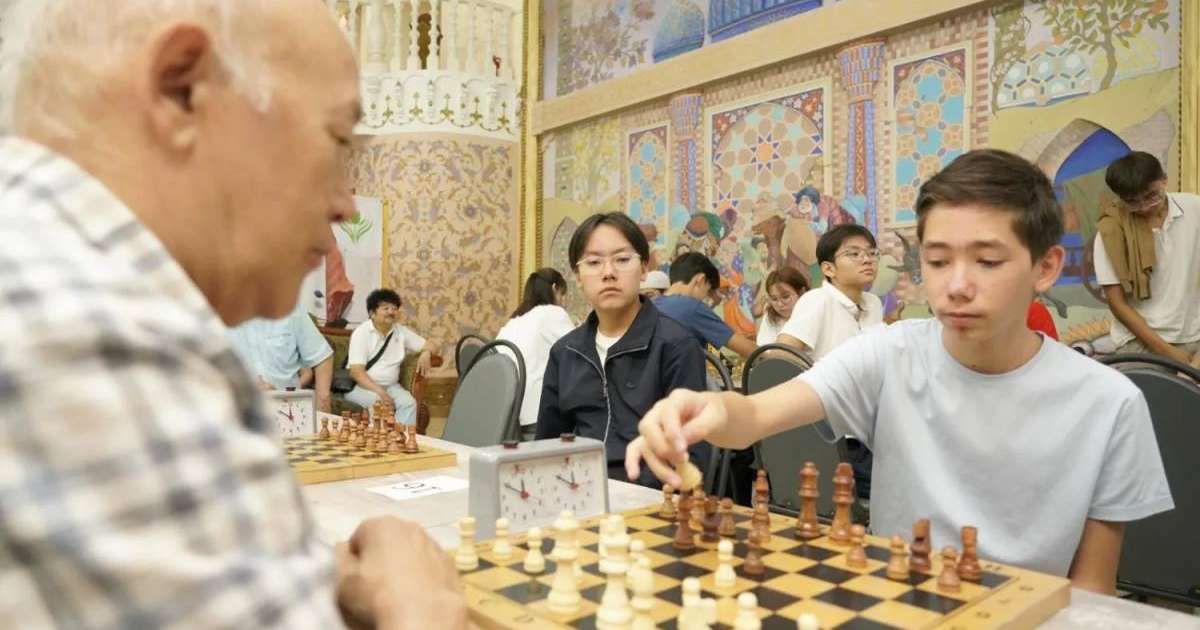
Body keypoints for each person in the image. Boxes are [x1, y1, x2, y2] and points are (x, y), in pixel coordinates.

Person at [0, 1, 465, 627]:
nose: (343, 202)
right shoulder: (96, 337)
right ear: (181, 87)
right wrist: (420, 603)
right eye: (336, 142)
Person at [626, 149, 1173, 593]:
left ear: (1045, 267)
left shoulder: (1110, 402)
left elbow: (1093, 590)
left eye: (987, 261)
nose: (956, 284)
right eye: (937, 261)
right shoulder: (891, 353)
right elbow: (754, 415)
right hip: (894, 605)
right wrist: (701, 408)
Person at [536, 213, 707, 487]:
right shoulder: (565, 352)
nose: (608, 273)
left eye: (622, 259)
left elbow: (693, 454)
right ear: (577, 277)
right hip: (576, 494)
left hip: (649, 497)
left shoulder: (676, 345)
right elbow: (547, 446)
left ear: (644, 268)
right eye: (593, 262)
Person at [1093, 151, 1200, 367]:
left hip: (1195, 334)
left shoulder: (1194, 208)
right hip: (1141, 341)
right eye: (1132, 202)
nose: (1143, 207)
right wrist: (1170, 353)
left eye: (1151, 195)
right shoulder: (1111, 231)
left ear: (1164, 180)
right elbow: (1117, 303)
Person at [777, 224, 885, 359]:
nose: (867, 260)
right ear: (829, 269)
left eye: (872, 253)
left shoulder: (873, 303)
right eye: (854, 254)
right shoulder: (817, 300)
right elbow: (780, 357)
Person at [496, 268, 576, 440]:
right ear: (555, 288)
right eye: (563, 294)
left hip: (508, 416)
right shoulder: (552, 312)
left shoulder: (512, 322)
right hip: (538, 414)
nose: (563, 302)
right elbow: (578, 352)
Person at [345, 288, 436, 425]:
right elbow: (356, 372)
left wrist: (426, 353)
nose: (391, 312)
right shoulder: (361, 333)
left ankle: (401, 440)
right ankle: (378, 443)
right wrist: (380, 392)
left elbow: (431, 344)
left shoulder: (400, 331)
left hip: (392, 386)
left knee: (409, 403)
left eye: (394, 308)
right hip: (362, 387)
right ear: (372, 313)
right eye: (385, 308)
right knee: (379, 403)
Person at [228, 301, 335, 412]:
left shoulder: (289, 307)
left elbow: (322, 356)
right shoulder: (214, 312)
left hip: (291, 413)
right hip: (236, 415)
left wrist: (322, 401)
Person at [654, 252, 758, 358]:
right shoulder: (692, 307)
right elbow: (744, 347)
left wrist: (728, 366)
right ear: (701, 280)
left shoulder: (653, 305)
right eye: (708, 291)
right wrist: (770, 354)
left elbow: (707, 346)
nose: (705, 298)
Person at [756, 267, 809, 345]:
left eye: (786, 297)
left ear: (801, 292)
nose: (780, 304)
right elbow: (764, 349)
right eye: (774, 299)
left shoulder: (814, 309)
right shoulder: (769, 317)